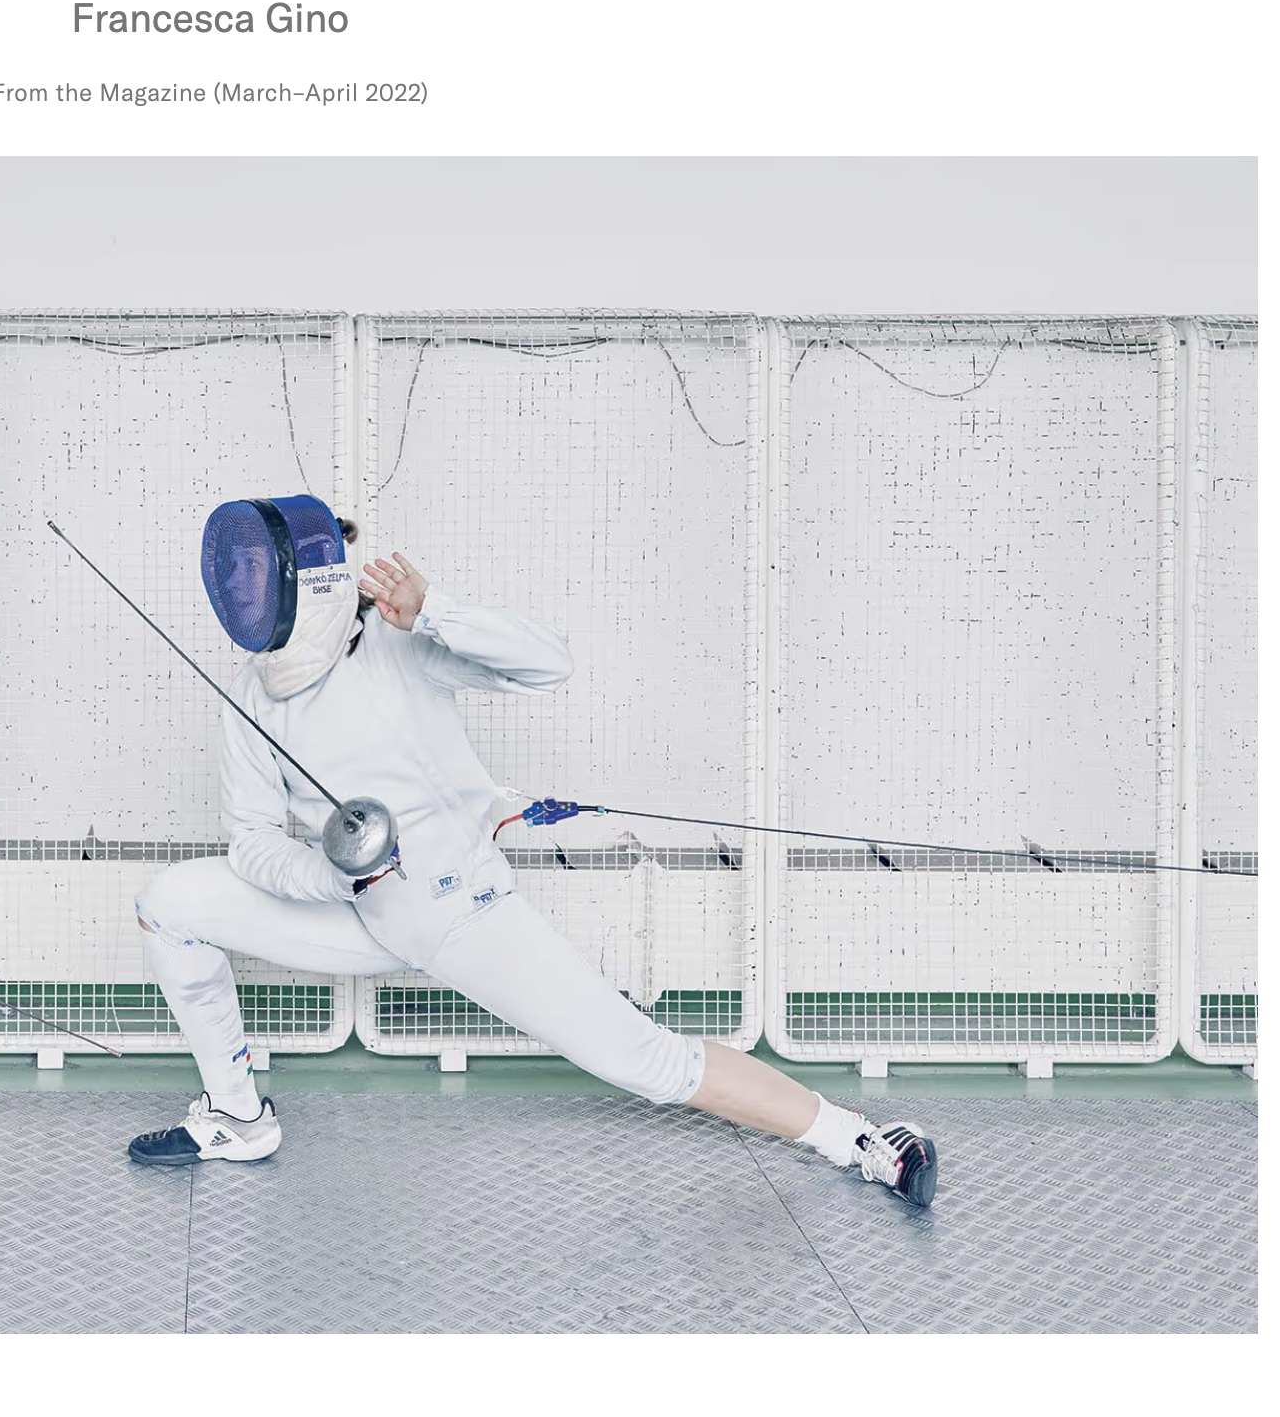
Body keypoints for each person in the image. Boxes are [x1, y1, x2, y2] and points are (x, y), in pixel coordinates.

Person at [126, 494, 938, 1208]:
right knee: (168, 906)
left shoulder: (399, 642)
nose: (242, 593)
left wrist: (434, 611)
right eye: (237, 578)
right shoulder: (250, 692)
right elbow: (253, 842)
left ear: (310, 579)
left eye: (255, 575)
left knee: (644, 1060)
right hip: (360, 913)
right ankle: (237, 1117)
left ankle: (863, 1140)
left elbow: (550, 665)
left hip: (464, 913)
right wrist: (337, 874)